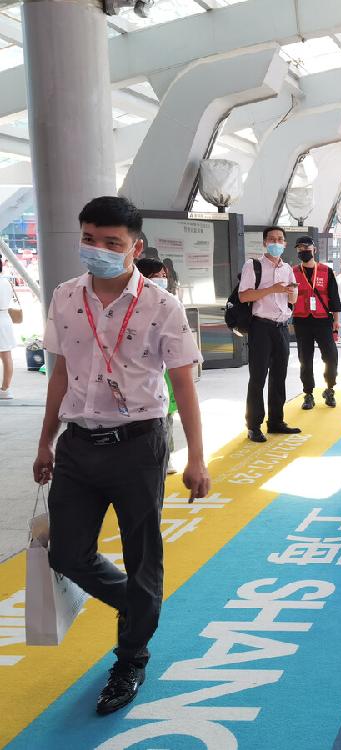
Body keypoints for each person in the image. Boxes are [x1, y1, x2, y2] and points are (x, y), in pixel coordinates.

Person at [32, 196, 210, 715]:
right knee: (67, 554)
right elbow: (60, 374)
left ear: (136, 246)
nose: (99, 250)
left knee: (142, 555)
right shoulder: (66, 296)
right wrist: (45, 440)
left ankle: (131, 656)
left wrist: (196, 458)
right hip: (77, 446)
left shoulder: (162, 305)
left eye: (112, 243)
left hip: (138, 445)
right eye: (89, 239)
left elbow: (184, 384)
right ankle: (140, 606)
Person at [239, 226, 300, 443]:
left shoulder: (288, 269)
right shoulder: (253, 265)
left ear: (285, 243)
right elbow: (244, 296)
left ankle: (276, 421)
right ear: (265, 242)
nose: (276, 243)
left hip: (281, 327)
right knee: (258, 377)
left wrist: (291, 292)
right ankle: (254, 425)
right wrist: (272, 289)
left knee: (279, 376)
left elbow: (292, 300)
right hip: (261, 327)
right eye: (272, 239)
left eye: (280, 239)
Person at [135, 258, 180, 474]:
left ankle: (166, 456)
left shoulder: (170, 303)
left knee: (166, 416)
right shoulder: (130, 305)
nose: (162, 280)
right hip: (139, 374)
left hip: (165, 370)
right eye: (156, 276)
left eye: (163, 276)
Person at [291, 236, 340, 410]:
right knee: (305, 358)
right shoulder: (293, 272)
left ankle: (330, 388)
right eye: (300, 248)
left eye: (307, 247)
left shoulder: (326, 271)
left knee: (331, 356)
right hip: (301, 321)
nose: (303, 250)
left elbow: (334, 297)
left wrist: (336, 321)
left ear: (314, 250)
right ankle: (308, 394)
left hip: (323, 320)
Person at [0, 257, 15, 400]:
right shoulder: (6, 282)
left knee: (6, 356)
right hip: (5, 318)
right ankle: (5, 389)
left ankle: (5, 390)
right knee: (6, 356)